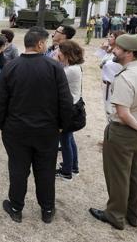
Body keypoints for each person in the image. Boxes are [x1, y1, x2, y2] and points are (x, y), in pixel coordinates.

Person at [0, 27, 73, 224]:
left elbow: (0, 101)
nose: (46, 46)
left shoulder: (10, 67)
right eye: (45, 43)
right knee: (45, 170)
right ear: (39, 44)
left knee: (18, 169)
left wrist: (3, 124)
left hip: (16, 130)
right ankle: (47, 209)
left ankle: (15, 207)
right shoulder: (54, 67)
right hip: (46, 131)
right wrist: (62, 126)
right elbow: (65, 101)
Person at [89, 34, 137, 230]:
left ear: (129, 53)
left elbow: (122, 113)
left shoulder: (125, 76)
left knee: (119, 175)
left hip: (125, 132)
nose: (113, 50)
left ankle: (115, 215)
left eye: (118, 48)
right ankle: (134, 216)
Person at [55, 40, 84, 181]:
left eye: (60, 51)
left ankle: (67, 172)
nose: (57, 53)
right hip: (72, 107)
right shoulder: (74, 67)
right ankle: (73, 166)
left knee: (65, 140)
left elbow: (53, 78)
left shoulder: (70, 70)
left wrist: (54, 61)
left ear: (67, 54)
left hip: (67, 110)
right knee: (69, 138)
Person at [95, 30, 125, 107]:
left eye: (111, 37)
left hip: (114, 86)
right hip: (106, 84)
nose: (108, 38)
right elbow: (100, 58)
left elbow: (106, 64)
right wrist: (102, 49)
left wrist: (102, 64)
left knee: (112, 110)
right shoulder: (110, 50)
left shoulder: (120, 54)